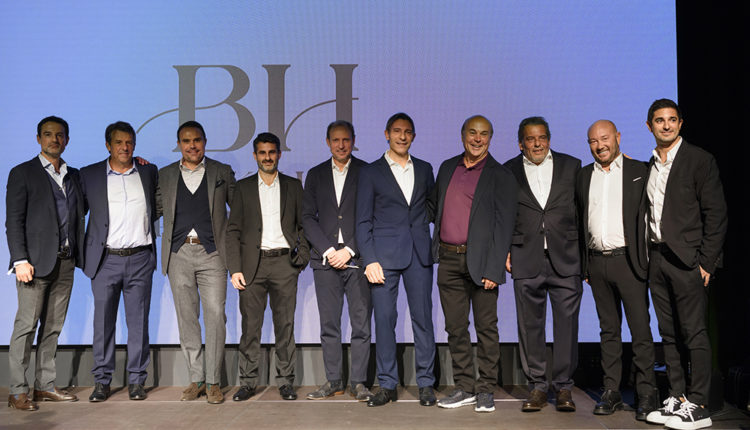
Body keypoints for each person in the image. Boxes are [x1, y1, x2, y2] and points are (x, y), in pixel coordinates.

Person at [642, 99, 727, 430]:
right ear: (649, 125)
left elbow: (716, 214)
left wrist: (706, 262)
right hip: (657, 258)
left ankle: (699, 404)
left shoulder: (699, 160)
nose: (666, 125)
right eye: (659, 120)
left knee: (694, 332)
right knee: (668, 333)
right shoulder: (650, 165)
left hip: (688, 261)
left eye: (672, 119)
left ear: (680, 123)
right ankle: (677, 398)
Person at [429, 115, 517, 413]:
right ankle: (465, 386)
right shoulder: (447, 168)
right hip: (448, 260)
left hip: (482, 263)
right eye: (472, 133)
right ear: (463, 135)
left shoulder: (501, 175)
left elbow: (504, 226)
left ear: (490, 138)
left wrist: (495, 268)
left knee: (486, 328)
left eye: (484, 134)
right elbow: (435, 209)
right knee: (455, 328)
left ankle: (486, 389)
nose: (478, 139)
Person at [575, 120, 657, 420]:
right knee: (608, 331)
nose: (600, 145)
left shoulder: (640, 171)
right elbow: (579, 220)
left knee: (640, 330)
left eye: (605, 138)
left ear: (618, 137)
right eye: (593, 141)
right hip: (597, 263)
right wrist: (585, 264)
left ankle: (646, 393)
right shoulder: (583, 176)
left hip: (629, 262)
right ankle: (611, 391)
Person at [355, 112, 437, 407]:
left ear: (413, 136)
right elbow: (362, 220)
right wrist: (370, 260)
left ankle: (426, 383)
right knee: (385, 320)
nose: (403, 136)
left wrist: (419, 228)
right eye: (397, 131)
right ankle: (387, 384)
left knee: (423, 319)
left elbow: (431, 207)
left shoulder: (425, 168)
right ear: (387, 134)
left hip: (418, 254)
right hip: (383, 258)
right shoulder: (371, 172)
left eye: (408, 132)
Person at [504, 116, 582, 412]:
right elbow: (503, 214)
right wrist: (505, 251)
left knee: (567, 327)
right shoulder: (507, 171)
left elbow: (583, 211)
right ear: (520, 143)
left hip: (566, 257)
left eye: (542, 137)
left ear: (549, 139)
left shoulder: (572, 166)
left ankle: (563, 387)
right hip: (526, 257)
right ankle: (537, 386)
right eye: (530, 138)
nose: (537, 143)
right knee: (530, 326)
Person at [6, 116, 83, 410]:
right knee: (26, 327)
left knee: (52, 328)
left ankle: (45, 385)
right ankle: (17, 390)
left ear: (67, 140)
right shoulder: (22, 173)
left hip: (65, 262)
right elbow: (14, 221)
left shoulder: (74, 175)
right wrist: (20, 260)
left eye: (60, 135)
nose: (54, 139)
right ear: (38, 138)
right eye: (48, 134)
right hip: (34, 265)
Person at [156, 121, 236, 404]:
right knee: (186, 317)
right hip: (178, 254)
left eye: (197, 140)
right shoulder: (165, 175)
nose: (192, 145)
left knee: (215, 314)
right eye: (186, 141)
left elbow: (238, 210)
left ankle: (213, 381)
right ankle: (197, 378)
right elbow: (154, 208)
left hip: (212, 253)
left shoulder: (221, 172)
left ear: (205, 141)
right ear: (179, 144)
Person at [226, 132, 310, 402]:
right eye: (262, 153)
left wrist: (301, 258)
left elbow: (304, 225)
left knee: (285, 325)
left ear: (279, 154)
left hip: (284, 264)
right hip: (253, 265)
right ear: (255, 156)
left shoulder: (293, 186)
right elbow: (233, 230)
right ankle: (248, 382)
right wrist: (235, 268)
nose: (267, 157)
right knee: (251, 327)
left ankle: (285, 381)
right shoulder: (243, 188)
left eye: (272, 152)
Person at [79, 121, 158, 402]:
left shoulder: (148, 171)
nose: (125, 147)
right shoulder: (89, 175)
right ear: (108, 145)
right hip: (105, 260)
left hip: (140, 258)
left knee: (138, 324)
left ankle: (137, 381)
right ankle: (102, 381)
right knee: (103, 324)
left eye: (129, 142)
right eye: (119, 142)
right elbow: (77, 213)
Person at [302, 120, 373, 401]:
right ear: (328, 142)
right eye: (336, 140)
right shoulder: (316, 174)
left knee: (361, 324)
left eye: (346, 140)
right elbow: (307, 217)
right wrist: (329, 251)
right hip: (326, 260)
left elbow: (372, 215)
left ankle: (359, 382)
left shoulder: (367, 171)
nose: (341, 145)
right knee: (329, 324)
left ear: (353, 141)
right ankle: (333, 381)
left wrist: (351, 249)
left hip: (357, 259)